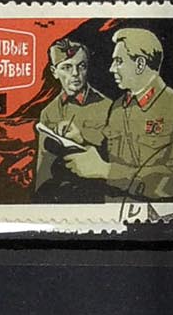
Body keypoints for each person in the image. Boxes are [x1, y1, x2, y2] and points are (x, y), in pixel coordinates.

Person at [61, 28, 173, 204]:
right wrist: (80, 141)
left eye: (119, 61)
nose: (111, 69)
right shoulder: (118, 106)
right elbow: (110, 157)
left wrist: (107, 171)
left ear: (140, 64)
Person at [32, 37, 113, 199]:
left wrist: (83, 142)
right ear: (54, 72)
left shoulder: (108, 107)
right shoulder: (48, 112)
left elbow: (116, 163)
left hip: (95, 195)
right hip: (59, 198)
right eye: (67, 67)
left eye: (81, 66)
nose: (75, 73)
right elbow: (43, 168)